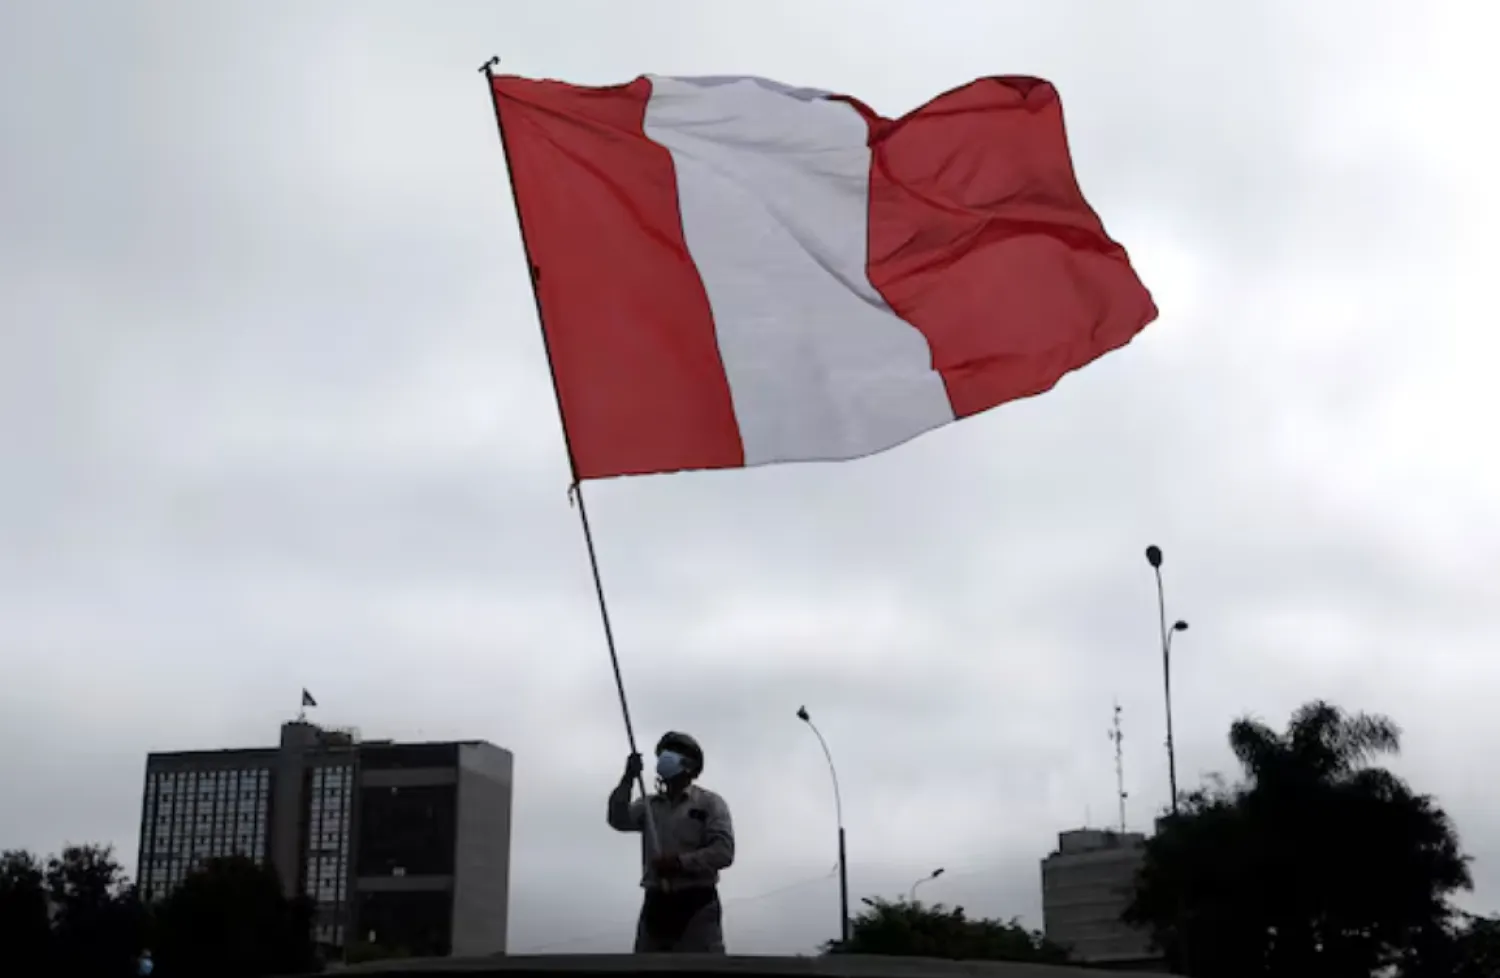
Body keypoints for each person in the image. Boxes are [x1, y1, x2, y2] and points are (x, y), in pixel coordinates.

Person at [608, 731, 735, 953]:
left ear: (690, 765)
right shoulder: (648, 805)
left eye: (674, 753)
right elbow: (618, 820)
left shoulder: (710, 804)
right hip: (656, 903)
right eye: (664, 753)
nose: (666, 758)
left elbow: (723, 852)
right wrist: (627, 778)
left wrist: (679, 863)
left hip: (698, 904)